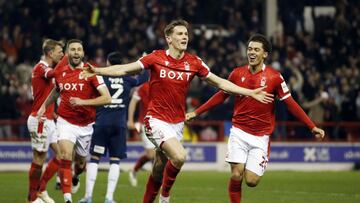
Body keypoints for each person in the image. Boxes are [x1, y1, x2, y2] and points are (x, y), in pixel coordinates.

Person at [82, 20, 273, 203]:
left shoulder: (194, 63)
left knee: (158, 169)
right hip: (155, 120)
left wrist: (250, 92)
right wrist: (98, 71)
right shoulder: (155, 57)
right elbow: (125, 70)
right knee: (180, 156)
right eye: (180, 34)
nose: (185, 37)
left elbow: (221, 83)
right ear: (168, 38)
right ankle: (165, 197)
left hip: (176, 123)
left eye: (186, 34)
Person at [186, 34, 325, 203]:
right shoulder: (237, 74)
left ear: (265, 54)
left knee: (251, 181)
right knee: (236, 174)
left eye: (256, 50)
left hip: (261, 136)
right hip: (238, 131)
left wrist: (312, 126)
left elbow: (291, 104)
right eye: (250, 49)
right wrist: (196, 112)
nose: (251, 52)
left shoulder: (274, 77)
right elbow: (221, 96)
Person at [38, 39, 111, 203]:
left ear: (83, 53)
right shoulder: (60, 72)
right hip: (65, 121)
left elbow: (107, 98)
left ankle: (76, 176)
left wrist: (82, 102)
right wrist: (44, 106)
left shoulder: (90, 72)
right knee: (64, 155)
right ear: (67, 53)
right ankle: (68, 198)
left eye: (79, 49)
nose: (76, 52)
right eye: (73, 49)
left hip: (86, 125)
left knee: (80, 163)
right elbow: (57, 91)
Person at [78, 52, 148, 203]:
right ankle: (109, 198)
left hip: (102, 122)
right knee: (115, 160)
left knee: (95, 159)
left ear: (108, 63)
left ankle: (88, 196)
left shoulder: (101, 77)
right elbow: (142, 78)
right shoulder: (127, 79)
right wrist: (145, 62)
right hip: (119, 125)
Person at [27, 39, 66, 203]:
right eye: (60, 52)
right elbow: (53, 74)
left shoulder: (48, 68)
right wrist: (68, 59)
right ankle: (31, 198)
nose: (62, 54)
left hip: (49, 119)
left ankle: (41, 189)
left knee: (62, 154)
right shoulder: (41, 67)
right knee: (39, 159)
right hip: (39, 119)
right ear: (50, 53)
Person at [127, 81, 155, 187]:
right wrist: (130, 120)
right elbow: (133, 103)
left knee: (159, 155)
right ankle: (134, 171)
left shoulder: (164, 85)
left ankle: (156, 181)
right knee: (151, 154)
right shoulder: (143, 87)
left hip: (162, 124)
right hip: (146, 124)